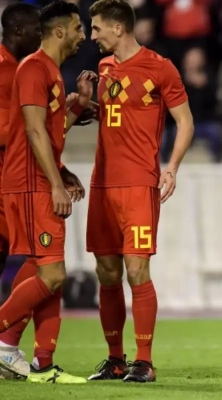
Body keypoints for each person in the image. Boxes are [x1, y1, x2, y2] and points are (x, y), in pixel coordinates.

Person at [85, 0, 194, 383]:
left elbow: (185, 122)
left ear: (118, 28)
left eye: (97, 28)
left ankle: (144, 361)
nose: (92, 35)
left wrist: (172, 166)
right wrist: (86, 105)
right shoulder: (103, 68)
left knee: (136, 270)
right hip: (102, 184)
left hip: (138, 184)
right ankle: (115, 359)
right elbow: (115, 115)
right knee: (106, 272)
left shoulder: (160, 67)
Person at [0, 0, 92, 384]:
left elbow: (49, 133)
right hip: (29, 182)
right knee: (52, 274)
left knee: (45, 269)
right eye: (78, 28)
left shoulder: (50, 71)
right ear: (59, 31)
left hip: (38, 180)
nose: (83, 35)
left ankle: (40, 361)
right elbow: (33, 131)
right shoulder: (33, 68)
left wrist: (77, 107)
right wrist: (55, 183)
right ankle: (3, 342)